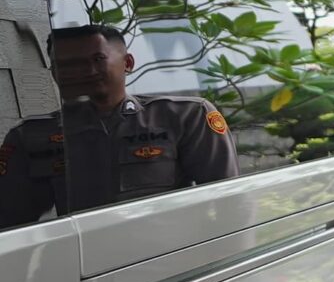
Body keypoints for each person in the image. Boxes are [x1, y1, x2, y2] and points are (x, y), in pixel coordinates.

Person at [0, 23, 237, 226]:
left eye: (97, 59)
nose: (82, 71)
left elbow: (230, 204)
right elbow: (11, 224)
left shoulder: (184, 117)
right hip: (81, 259)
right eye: (65, 64)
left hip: (171, 256)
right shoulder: (32, 136)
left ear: (128, 63)